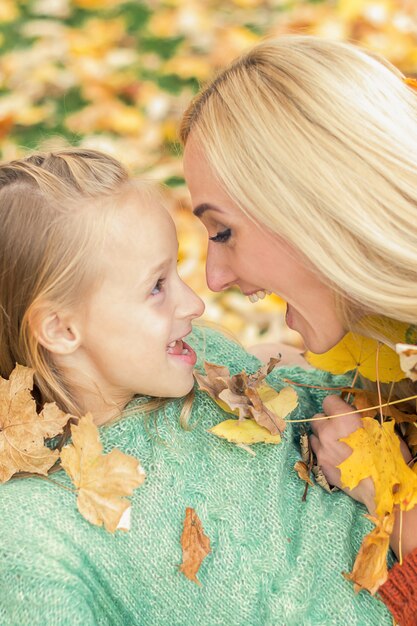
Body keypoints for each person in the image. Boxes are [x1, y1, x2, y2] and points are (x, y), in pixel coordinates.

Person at [0, 148, 392, 625]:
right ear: (62, 330)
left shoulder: (207, 366)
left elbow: (345, 406)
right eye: (157, 287)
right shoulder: (35, 529)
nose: (194, 303)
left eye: (177, 271)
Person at [181, 35, 417, 625]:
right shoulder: (384, 328)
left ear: (315, 208)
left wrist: (385, 496)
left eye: (223, 232)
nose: (212, 277)